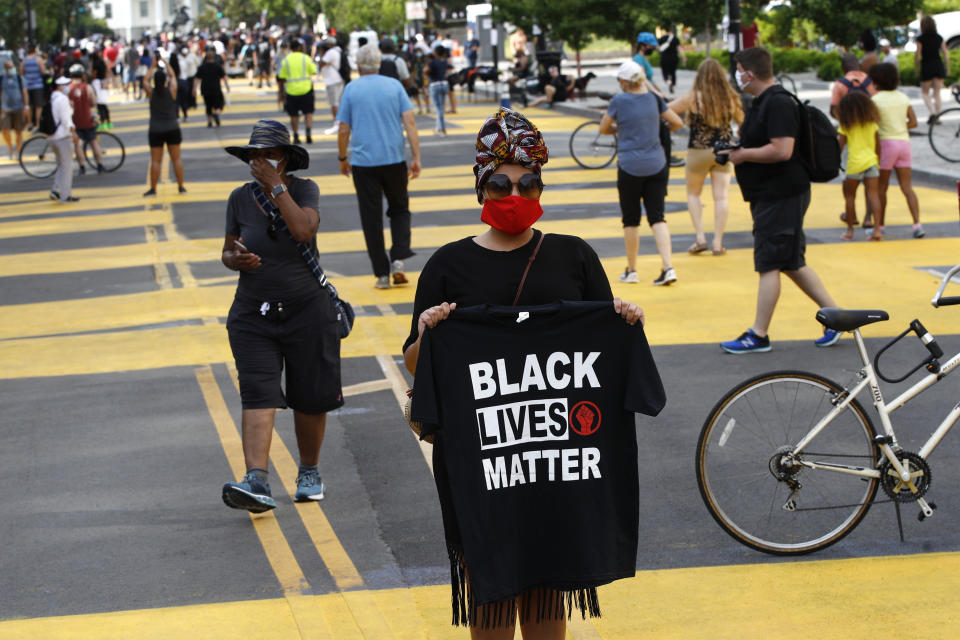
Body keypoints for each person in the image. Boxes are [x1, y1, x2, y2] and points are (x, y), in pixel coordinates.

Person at [402, 106, 649, 640]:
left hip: (557, 453)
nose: (514, 194)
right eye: (499, 184)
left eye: (527, 182)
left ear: (541, 187)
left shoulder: (573, 257)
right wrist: (427, 330)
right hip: (483, 457)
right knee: (489, 577)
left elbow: (601, 345)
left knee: (544, 579)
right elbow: (416, 365)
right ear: (480, 188)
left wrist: (623, 320)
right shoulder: (447, 265)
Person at [219, 119, 338, 513]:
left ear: (285, 158)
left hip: (307, 310)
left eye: (268, 154)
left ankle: (309, 471)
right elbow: (227, 251)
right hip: (254, 312)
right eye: (254, 156)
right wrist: (236, 259)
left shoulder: (305, 190)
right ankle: (256, 479)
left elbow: (303, 231)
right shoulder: (239, 198)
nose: (260, 161)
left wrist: (277, 186)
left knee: (309, 397)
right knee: (258, 391)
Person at [721, 47, 841, 353]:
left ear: (749, 73)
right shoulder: (767, 102)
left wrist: (742, 154)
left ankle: (758, 334)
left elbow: (782, 149)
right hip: (775, 193)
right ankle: (837, 318)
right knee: (789, 261)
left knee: (770, 262)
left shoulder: (777, 103)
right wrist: (737, 149)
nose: (737, 76)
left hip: (781, 193)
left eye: (738, 70)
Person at [336, 43, 421, 289]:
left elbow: (343, 129)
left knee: (370, 217)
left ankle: (381, 274)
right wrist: (416, 156)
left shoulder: (351, 89)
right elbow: (410, 123)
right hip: (394, 160)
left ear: (359, 65)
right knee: (400, 209)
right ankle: (399, 259)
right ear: (379, 63)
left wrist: (342, 158)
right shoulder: (394, 86)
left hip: (363, 164)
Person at [599, 61, 683, 286]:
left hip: (629, 166)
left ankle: (632, 270)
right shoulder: (654, 99)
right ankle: (668, 267)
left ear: (625, 81)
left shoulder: (618, 101)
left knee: (631, 220)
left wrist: (622, 128)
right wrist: (657, 130)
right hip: (657, 164)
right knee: (657, 217)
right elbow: (677, 122)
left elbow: (603, 128)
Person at [668, 57, 743, 256]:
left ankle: (700, 238)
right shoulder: (730, 96)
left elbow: (666, 111)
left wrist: (678, 124)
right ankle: (718, 242)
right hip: (723, 151)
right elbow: (743, 122)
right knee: (721, 197)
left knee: (693, 194)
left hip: (698, 150)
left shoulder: (692, 97)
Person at [869, 62, 923, 238]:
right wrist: (900, 127)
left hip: (886, 144)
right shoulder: (903, 97)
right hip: (904, 143)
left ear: (877, 81)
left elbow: (873, 125)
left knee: (881, 188)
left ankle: (881, 225)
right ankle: (917, 224)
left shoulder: (876, 100)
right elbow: (913, 122)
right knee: (907, 187)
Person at [836, 92, 882, 241]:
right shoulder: (872, 124)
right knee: (873, 196)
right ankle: (877, 230)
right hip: (871, 163)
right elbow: (878, 146)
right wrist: (877, 161)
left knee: (850, 197)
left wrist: (835, 161)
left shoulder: (846, 126)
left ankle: (850, 231)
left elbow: (840, 147)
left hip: (854, 165)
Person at [142, 57, 186, 197]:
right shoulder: (171, 91)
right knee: (176, 159)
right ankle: (180, 186)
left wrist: (153, 65)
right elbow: (173, 75)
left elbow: (145, 81)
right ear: (165, 80)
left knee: (155, 161)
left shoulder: (151, 93)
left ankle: (153, 189)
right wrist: (165, 62)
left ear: (155, 81)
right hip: (172, 127)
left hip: (155, 129)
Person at [276, 38, 317, 144]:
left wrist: (280, 93)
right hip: (306, 89)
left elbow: (281, 77)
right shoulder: (306, 58)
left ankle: (296, 135)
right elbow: (314, 71)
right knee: (308, 112)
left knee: (293, 115)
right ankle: (308, 133)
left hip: (291, 91)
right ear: (299, 47)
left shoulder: (286, 60)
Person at [67, 64, 104, 175]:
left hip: (74, 121)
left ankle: (82, 166)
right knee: (93, 142)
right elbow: (93, 102)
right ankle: (99, 165)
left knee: (78, 144)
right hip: (87, 119)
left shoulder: (68, 89)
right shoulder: (87, 87)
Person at [48, 76, 80, 203]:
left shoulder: (52, 98)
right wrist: (74, 134)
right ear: (59, 86)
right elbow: (67, 120)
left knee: (61, 165)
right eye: (66, 84)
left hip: (52, 137)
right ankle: (66, 195)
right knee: (67, 167)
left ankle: (55, 190)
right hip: (63, 136)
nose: (68, 86)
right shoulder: (62, 99)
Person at [916, 14, 950, 125]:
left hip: (927, 65)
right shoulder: (939, 37)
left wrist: (917, 68)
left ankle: (932, 113)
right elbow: (945, 54)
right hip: (938, 65)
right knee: (937, 93)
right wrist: (947, 68)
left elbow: (917, 55)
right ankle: (938, 115)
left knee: (925, 93)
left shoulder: (921, 39)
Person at [829, 53, 876, 119]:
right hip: (870, 126)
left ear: (843, 68)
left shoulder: (839, 84)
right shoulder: (872, 82)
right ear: (859, 65)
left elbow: (833, 111)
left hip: (848, 127)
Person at [1, 58, 30, 159]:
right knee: (5, 130)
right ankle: (10, 148)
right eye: (10, 67)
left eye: (13, 67)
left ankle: (18, 151)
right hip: (5, 108)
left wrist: (26, 106)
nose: (12, 69)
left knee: (19, 131)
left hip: (18, 107)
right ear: (5, 68)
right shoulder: (2, 78)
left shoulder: (19, 78)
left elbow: (24, 92)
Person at [194, 49, 228, 127]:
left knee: (208, 106)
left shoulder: (202, 67)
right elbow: (224, 76)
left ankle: (209, 121)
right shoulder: (217, 66)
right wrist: (227, 86)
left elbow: (197, 78)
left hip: (205, 89)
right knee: (219, 104)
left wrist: (194, 89)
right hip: (216, 88)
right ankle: (216, 113)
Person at [317, 37, 344, 135]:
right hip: (337, 79)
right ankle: (339, 122)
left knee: (334, 103)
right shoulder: (338, 50)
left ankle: (337, 124)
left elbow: (321, 63)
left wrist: (321, 54)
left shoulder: (330, 53)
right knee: (337, 102)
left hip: (332, 81)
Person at [425, 45, 452, 135]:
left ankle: (441, 129)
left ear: (435, 53)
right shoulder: (444, 61)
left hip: (434, 84)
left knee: (438, 108)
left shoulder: (432, 62)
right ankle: (439, 128)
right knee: (441, 107)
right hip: (444, 84)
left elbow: (425, 70)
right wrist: (446, 74)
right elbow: (450, 68)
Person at [20, 44, 47, 130]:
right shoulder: (38, 59)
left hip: (28, 85)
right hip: (38, 85)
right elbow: (43, 71)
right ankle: (38, 124)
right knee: (38, 106)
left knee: (29, 105)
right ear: (35, 50)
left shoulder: (25, 60)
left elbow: (21, 71)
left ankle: (30, 123)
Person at [658, 27, 687, 95]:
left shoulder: (662, 38)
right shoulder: (675, 38)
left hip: (664, 58)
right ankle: (673, 86)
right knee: (673, 72)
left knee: (665, 72)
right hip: (674, 58)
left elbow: (659, 48)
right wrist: (684, 57)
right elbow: (679, 48)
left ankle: (668, 82)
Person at [177, 44, 200, 121]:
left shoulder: (192, 56)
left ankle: (193, 103)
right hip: (185, 78)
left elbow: (198, 64)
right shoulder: (180, 58)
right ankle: (188, 105)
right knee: (187, 93)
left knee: (193, 90)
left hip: (192, 75)